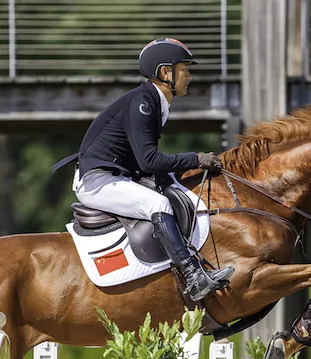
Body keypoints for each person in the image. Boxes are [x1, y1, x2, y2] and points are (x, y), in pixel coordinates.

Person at [58, 38, 233, 301]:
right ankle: (193, 277)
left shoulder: (154, 101)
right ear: (166, 73)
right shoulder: (143, 103)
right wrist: (196, 159)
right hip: (98, 181)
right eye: (185, 70)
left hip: (116, 176)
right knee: (159, 205)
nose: (190, 76)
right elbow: (149, 161)